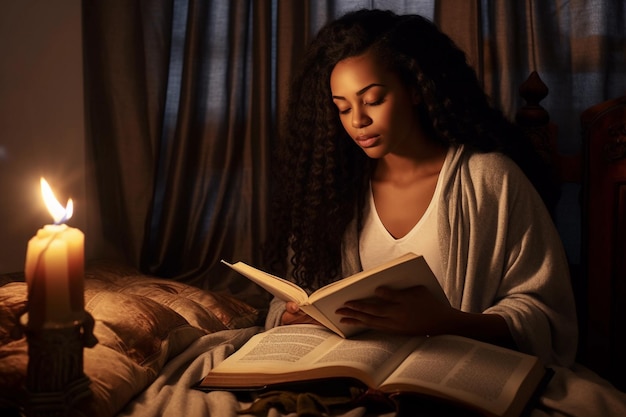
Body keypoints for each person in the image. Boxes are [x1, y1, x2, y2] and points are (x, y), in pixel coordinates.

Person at [263, 8, 575, 367]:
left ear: (414, 89)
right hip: (363, 372)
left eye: (373, 100)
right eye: (342, 108)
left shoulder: (490, 180)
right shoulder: (336, 190)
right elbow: (292, 291)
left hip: (457, 371)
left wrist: (446, 322)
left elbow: (547, 315)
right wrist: (291, 316)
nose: (358, 121)